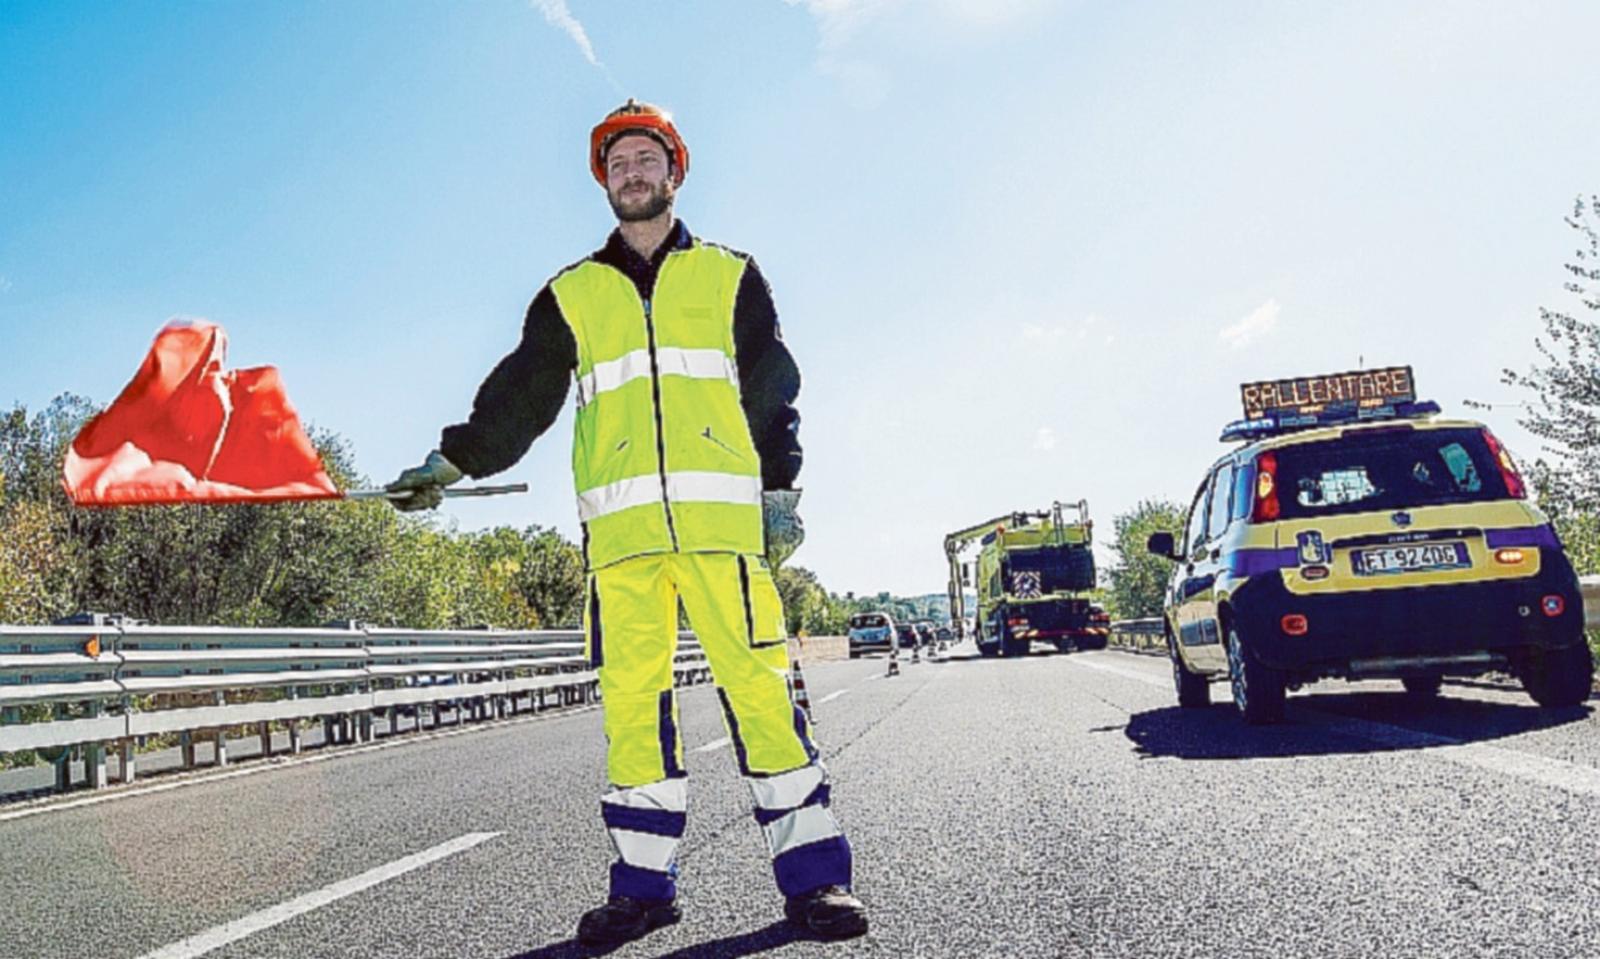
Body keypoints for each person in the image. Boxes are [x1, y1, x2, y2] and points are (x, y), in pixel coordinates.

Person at [386, 99, 866, 947]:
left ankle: (817, 884)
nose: (631, 175)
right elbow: (520, 396)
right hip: (625, 551)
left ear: (673, 172)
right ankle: (642, 890)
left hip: (725, 542)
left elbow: (771, 388)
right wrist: (450, 462)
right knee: (633, 716)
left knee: (763, 700)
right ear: (604, 183)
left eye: (645, 159)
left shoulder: (729, 275)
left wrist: (782, 491)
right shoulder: (572, 294)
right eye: (617, 165)